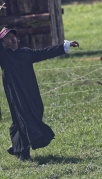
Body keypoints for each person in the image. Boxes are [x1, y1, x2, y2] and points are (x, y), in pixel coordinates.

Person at [0, 27, 79, 161]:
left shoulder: (25, 53)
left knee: (31, 114)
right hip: (16, 95)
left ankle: (16, 146)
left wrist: (65, 45)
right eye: (8, 37)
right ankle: (24, 154)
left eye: (13, 36)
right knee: (24, 118)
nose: (13, 38)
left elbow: (44, 52)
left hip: (31, 93)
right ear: (3, 43)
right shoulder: (4, 56)